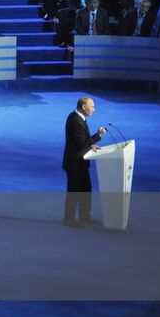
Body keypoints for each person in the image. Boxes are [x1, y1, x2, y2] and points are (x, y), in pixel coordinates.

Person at [62, 96, 105, 228]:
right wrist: (97, 136)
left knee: (85, 189)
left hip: (80, 162)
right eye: (92, 107)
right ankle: (69, 219)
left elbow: (81, 142)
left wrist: (90, 146)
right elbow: (82, 143)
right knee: (74, 191)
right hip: (74, 163)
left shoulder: (79, 117)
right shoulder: (75, 120)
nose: (94, 110)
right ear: (84, 107)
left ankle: (85, 216)